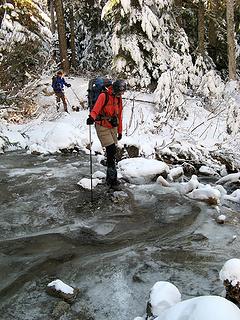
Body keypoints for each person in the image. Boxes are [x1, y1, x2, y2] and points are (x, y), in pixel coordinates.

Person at [86, 79, 127, 189]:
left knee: (112, 153)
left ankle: (111, 178)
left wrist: (119, 131)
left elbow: (119, 116)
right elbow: (95, 110)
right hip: (102, 126)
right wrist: (91, 118)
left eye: (122, 93)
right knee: (111, 150)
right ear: (115, 89)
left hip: (113, 126)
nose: (121, 94)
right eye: (120, 92)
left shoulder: (118, 98)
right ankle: (112, 181)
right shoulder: (104, 96)